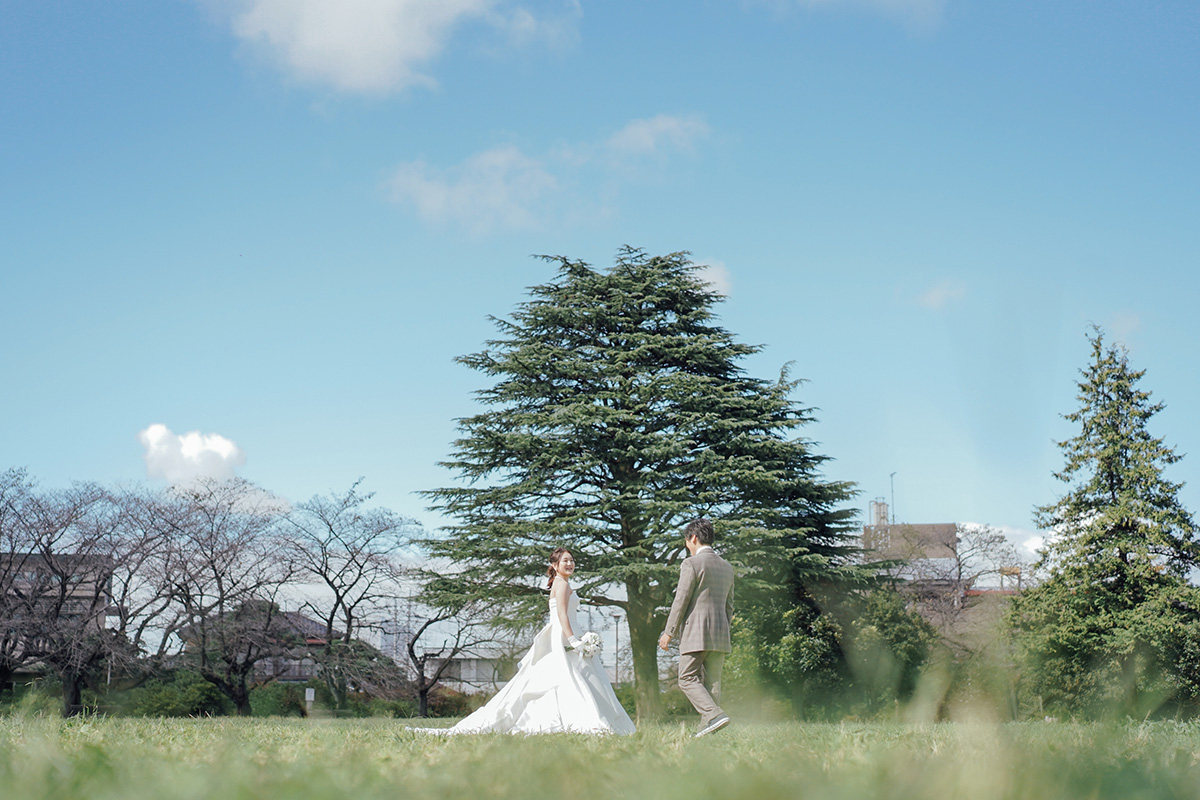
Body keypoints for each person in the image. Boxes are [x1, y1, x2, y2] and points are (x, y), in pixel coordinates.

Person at [428, 547, 635, 735]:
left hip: (565, 632)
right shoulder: (561, 584)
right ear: (555, 565)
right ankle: (581, 719)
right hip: (564, 633)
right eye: (565, 561)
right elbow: (562, 615)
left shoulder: (562, 583)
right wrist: (573, 640)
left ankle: (570, 717)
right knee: (572, 676)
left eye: (572, 560)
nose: (570, 564)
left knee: (571, 677)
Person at [658, 518, 735, 737]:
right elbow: (730, 606)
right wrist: (724, 629)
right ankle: (709, 730)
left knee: (687, 677)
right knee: (713, 682)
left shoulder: (691, 564)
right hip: (720, 635)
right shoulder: (727, 567)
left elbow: (680, 600)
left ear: (693, 538)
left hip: (695, 633)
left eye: (687, 542)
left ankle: (713, 714)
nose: (687, 547)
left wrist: (668, 632)